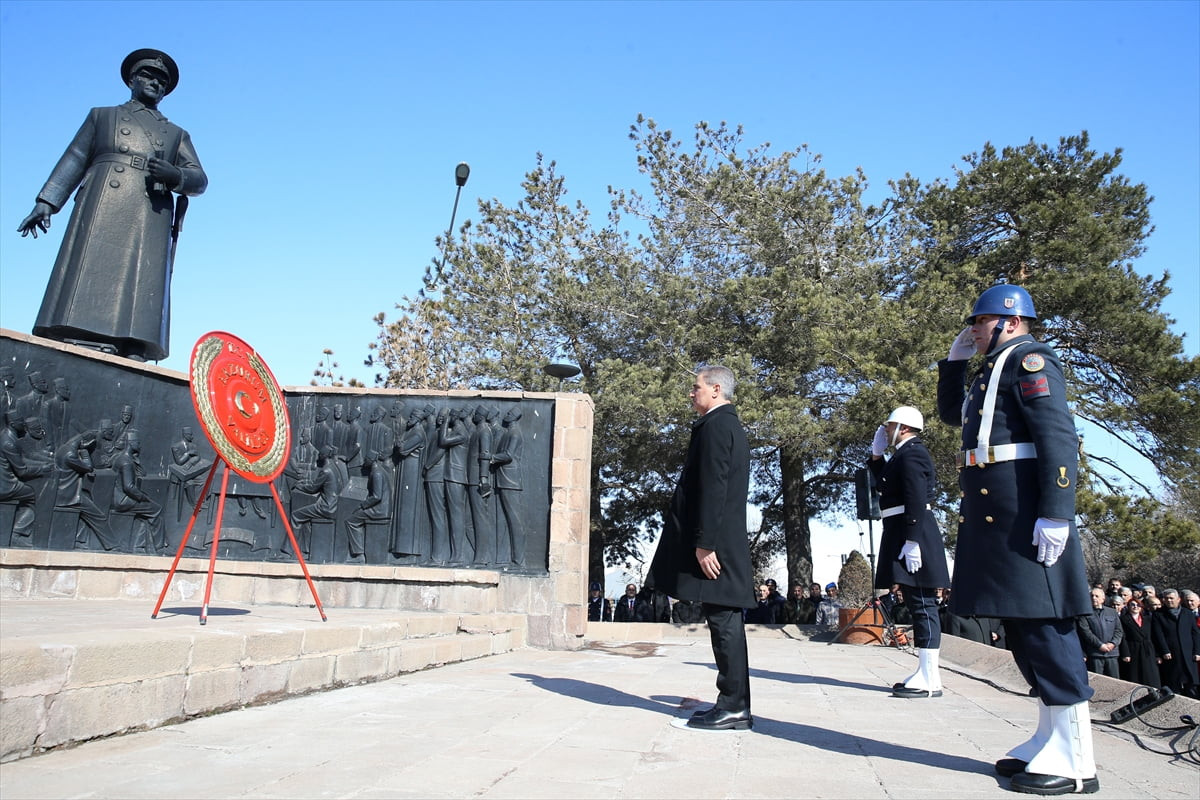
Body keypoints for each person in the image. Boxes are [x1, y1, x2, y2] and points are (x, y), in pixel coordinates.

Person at [937, 284, 1096, 794]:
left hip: (1027, 514)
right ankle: (1049, 734)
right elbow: (951, 417)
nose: (973, 330)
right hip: (998, 516)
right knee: (1023, 627)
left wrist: (1056, 512)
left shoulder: (1030, 361)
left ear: (1008, 320)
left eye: (979, 322)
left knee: (1047, 627)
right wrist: (953, 365)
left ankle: (1077, 758)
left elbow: (1056, 436)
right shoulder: (993, 368)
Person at [17, 49, 207, 362]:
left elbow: (199, 179)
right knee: (89, 268)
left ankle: (133, 343)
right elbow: (76, 157)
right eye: (148, 75)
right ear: (132, 79)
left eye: (162, 80)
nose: (154, 83)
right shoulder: (102, 116)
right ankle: (77, 331)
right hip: (103, 202)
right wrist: (47, 200)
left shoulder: (176, 134)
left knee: (139, 279)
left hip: (150, 211)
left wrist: (175, 174)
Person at [647, 365, 754, 731]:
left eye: (696, 388)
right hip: (720, 538)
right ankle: (733, 704)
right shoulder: (722, 425)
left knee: (724, 621)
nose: (691, 394)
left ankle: (733, 707)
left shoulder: (718, 426)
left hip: (717, 543)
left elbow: (714, 486)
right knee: (724, 619)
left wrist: (705, 543)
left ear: (716, 389)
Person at [868, 405, 951, 698]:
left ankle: (931, 677)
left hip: (912, 532)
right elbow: (885, 485)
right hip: (903, 530)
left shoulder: (913, 452)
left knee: (924, 603)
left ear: (903, 428)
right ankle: (925, 672)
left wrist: (913, 539)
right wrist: (877, 458)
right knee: (917, 603)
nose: (885, 430)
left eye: (889, 426)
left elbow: (916, 496)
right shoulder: (902, 454)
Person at [1152, 589, 1200, 698]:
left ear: (1178, 599)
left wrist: (1197, 651)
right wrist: (1164, 650)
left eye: (1171, 598)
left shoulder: (1187, 613)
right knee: (1174, 683)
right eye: (1166, 598)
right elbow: (1157, 634)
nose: (1169, 600)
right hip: (1171, 654)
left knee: (1191, 686)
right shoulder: (1159, 614)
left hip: (1188, 655)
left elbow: (1195, 633)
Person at [1076, 588, 1123, 677]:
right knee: (1097, 681)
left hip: (1111, 653)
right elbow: (1086, 632)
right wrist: (1100, 645)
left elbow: (1119, 631)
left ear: (1103, 598)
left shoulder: (1112, 612)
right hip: (1095, 654)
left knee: (1115, 682)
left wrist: (1113, 643)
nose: (1094, 598)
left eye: (1097, 596)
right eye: (1092, 596)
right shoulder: (1084, 614)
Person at [1117, 597, 1159, 687]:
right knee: (1136, 674)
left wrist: (1157, 654)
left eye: (1138, 605)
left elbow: (1154, 637)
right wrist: (1125, 653)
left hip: (1148, 649)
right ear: (1128, 607)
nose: (1135, 607)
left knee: (1150, 674)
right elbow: (1123, 637)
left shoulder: (1148, 619)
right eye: (1132, 605)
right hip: (1133, 649)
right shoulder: (1123, 620)